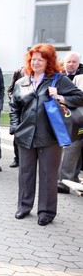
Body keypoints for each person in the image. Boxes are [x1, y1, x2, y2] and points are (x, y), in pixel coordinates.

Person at [10, 43, 83, 226]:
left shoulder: (58, 80)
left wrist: (60, 97)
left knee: (48, 176)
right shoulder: (22, 82)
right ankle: (24, 207)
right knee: (25, 174)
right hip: (25, 136)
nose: (35, 63)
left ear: (48, 61)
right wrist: (16, 127)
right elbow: (14, 107)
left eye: (40, 60)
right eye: (33, 59)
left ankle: (47, 212)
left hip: (50, 136)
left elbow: (80, 97)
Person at [58, 51, 83, 193]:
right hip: (69, 120)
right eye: (69, 61)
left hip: (79, 118)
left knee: (77, 152)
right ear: (64, 63)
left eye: (74, 62)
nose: (71, 64)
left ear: (78, 63)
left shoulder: (80, 77)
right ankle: (64, 182)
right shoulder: (60, 76)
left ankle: (72, 178)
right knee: (70, 149)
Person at [7, 67, 24, 168]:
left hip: (32, 111)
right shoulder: (18, 72)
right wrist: (14, 99)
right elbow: (10, 90)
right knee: (17, 135)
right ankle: (17, 159)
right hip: (20, 110)